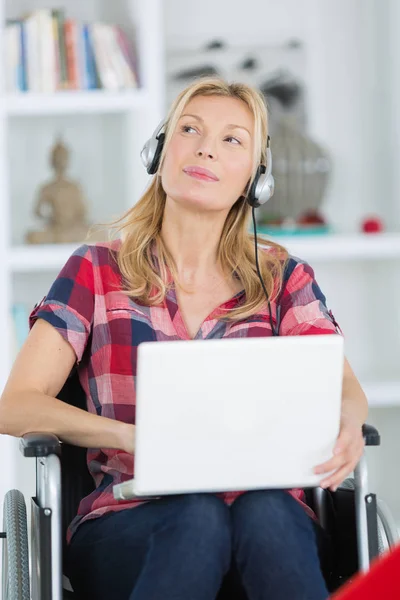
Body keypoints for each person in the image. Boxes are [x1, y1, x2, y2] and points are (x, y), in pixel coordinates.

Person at [0, 77, 368, 600]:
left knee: (264, 508)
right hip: (129, 518)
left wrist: (349, 421)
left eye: (232, 140)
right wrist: (132, 437)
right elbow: (14, 406)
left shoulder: (284, 278)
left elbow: (343, 389)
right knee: (198, 515)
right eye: (189, 129)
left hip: (269, 518)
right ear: (159, 151)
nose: (205, 148)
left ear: (255, 180)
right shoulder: (96, 270)